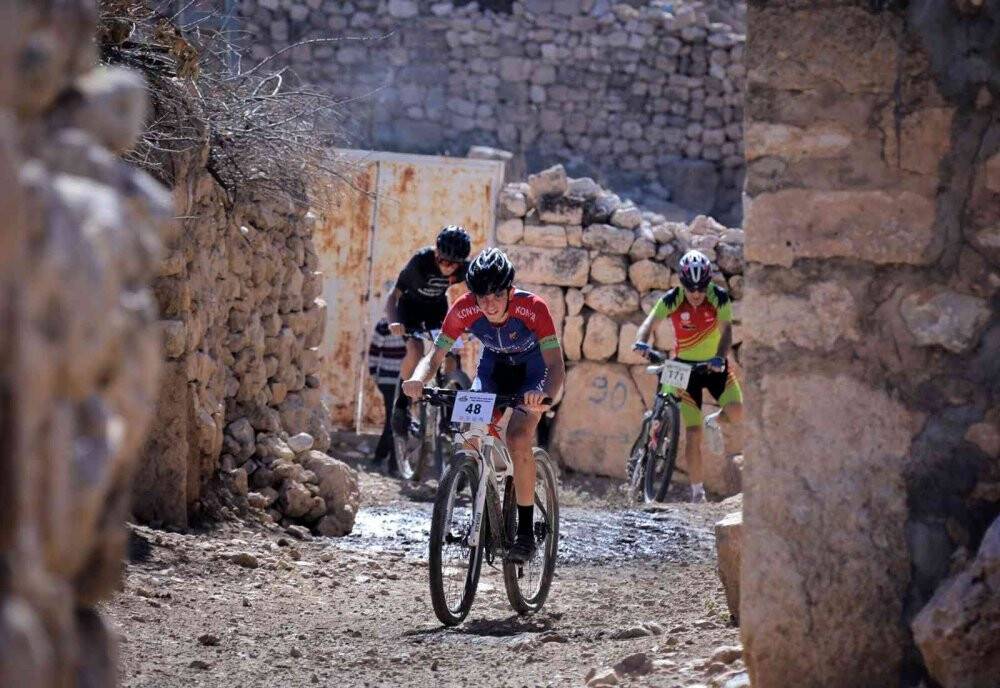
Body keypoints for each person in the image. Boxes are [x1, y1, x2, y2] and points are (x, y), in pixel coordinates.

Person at [402, 248, 565, 562]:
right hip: (493, 369)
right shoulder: (464, 308)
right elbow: (435, 355)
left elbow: (556, 365)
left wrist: (544, 395)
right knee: (470, 436)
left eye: (496, 296)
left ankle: (526, 532)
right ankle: (480, 497)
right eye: (481, 297)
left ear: (509, 291)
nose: (488, 304)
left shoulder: (533, 308)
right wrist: (418, 379)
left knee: (518, 437)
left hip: (533, 371)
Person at [633, 249, 744, 503]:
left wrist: (719, 356)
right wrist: (641, 342)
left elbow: (726, 333)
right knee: (692, 433)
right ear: (682, 283)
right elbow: (649, 324)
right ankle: (697, 494)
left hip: (714, 363)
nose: (696, 293)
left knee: (738, 412)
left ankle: (714, 420)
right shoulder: (672, 299)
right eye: (691, 287)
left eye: (702, 287)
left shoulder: (719, 297)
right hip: (683, 367)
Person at [387, 225, 472, 433]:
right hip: (410, 310)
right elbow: (393, 295)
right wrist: (394, 321)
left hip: (436, 308)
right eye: (443, 261)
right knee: (415, 350)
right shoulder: (420, 262)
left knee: (452, 354)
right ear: (436, 254)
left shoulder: (463, 269)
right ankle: (402, 404)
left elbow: (476, 295)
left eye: (453, 264)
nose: (447, 268)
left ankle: (450, 414)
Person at [367, 318, 407, 473]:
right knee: (394, 418)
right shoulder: (384, 324)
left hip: (404, 380)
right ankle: (392, 463)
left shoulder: (412, 323)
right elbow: (374, 349)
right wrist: (373, 373)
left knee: (398, 418)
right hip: (387, 379)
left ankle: (383, 457)